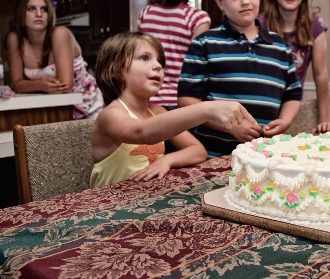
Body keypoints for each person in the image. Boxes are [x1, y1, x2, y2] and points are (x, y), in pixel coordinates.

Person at [90, 31, 255, 187]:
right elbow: (142, 132)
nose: (157, 66)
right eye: (144, 58)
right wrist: (206, 109)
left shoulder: (157, 111)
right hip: (108, 207)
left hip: (144, 201)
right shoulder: (110, 115)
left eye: (160, 62)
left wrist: (166, 160)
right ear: (115, 70)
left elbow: (198, 151)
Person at [177, 0, 303, 157]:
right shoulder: (204, 43)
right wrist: (230, 127)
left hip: (264, 157)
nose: (245, 1)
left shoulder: (279, 46)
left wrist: (285, 121)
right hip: (214, 156)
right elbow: (186, 101)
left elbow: (292, 95)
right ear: (220, 1)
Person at [261, 0, 330, 134]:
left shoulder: (314, 25)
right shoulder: (259, 25)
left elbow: (320, 74)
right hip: (264, 109)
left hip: (292, 107)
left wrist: (325, 119)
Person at [6, 0, 104, 119]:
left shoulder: (60, 33)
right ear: (21, 14)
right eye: (31, 9)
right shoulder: (14, 39)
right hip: (49, 107)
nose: (39, 14)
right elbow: (17, 84)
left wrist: (30, 85)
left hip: (85, 104)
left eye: (44, 9)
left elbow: (64, 86)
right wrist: (40, 85)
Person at [136, 0, 211, 108]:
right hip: (180, 101)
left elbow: (136, 56)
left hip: (146, 100)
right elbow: (197, 67)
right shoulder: (197, 18)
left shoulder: (146, 14)